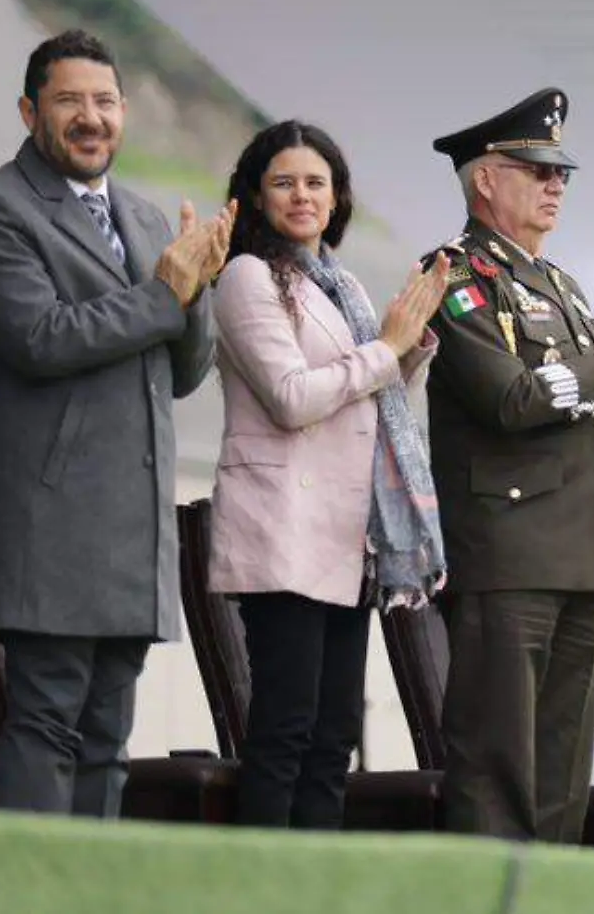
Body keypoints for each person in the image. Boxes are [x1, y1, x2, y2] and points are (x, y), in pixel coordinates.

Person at [0, 28, 232, 816]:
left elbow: (182, 373)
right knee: (45, 732)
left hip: (130, 536)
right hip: (51, 530)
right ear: (29, 112)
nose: (90, 117)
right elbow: (41, 339)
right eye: (69, 100)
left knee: (109, 742)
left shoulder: (144, 220)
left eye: (104, 101)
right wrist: (165, 295)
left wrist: (196, 287)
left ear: (125, 113)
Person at [424, 88, 594, 841]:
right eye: (535, 169)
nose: (555, 183)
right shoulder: (458, 274)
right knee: (498, 762)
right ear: (485, 182)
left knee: (565, 770)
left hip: (578, 552)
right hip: (508, 552)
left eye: (559, 172)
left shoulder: (559, 284)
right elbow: (510, 401)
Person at [207, 120, 451, 828]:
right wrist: (386, 350)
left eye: (316, 182)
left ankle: (317, 888)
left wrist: (411, 344)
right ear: (255, 195)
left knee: (334, 735)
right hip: (282, 530)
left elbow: (371, 400)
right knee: (285, 730)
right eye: (284, 182)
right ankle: (265, 890)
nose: (302, 195)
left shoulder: (339, 284)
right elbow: (292, 398)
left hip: (347, 536)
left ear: (338, 197)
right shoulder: (247, 276)